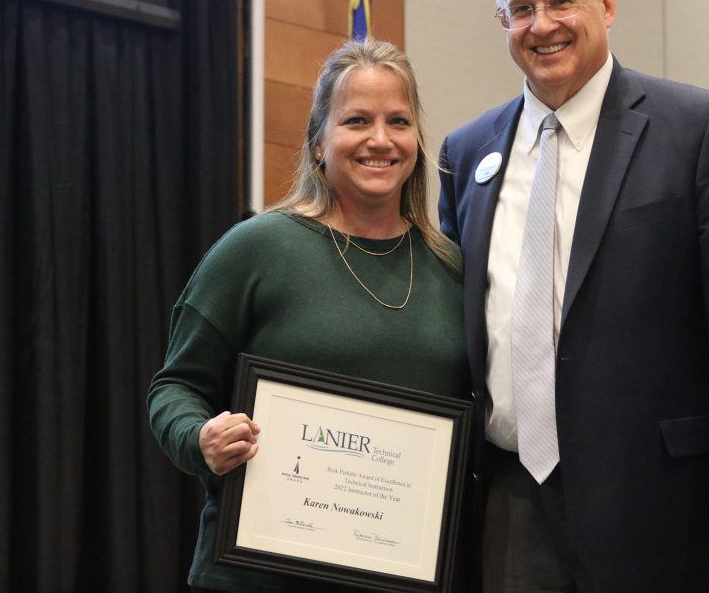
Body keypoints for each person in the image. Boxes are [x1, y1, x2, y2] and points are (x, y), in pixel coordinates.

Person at [438, 0, 709, 592]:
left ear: (607, 3)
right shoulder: (466, 153)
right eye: (520, 9)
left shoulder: (698, 131)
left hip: (657, 508)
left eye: (560, 0)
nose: (542, 25)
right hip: (507, 504)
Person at [148, 39, 470, 592]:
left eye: (399, 120)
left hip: (400, 576)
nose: (380, 139)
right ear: (319, 142)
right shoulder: (256, 249)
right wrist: (199, 437)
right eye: (357, 120)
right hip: (257, 575)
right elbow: (174, 386)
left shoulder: (453, 270)